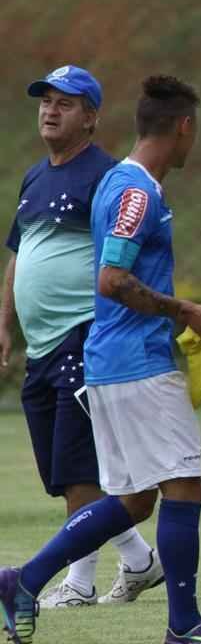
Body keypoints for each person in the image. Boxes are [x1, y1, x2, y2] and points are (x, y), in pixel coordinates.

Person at [1, 75, 201, 644]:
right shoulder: (137, 191)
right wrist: (186, 310)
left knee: (135, 500)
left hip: (109, 361)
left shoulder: (120, 181)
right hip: (136, 360)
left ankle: (25, 579)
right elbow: (113, 279)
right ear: (183, 127)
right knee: (184, 484)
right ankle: (184, 624)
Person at [1, 65, 162, 609]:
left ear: (91, 117)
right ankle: (140, 562)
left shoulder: (107, 177)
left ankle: (78, 584)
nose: (50, 109)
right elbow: (20, 257)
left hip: (83, 340)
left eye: (65, 103)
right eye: (45, 100)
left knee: (78, 472)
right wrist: (5, 325)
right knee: (58, 472)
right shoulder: (33, 178)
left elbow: (124, 253)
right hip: (41, 347)